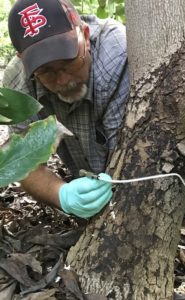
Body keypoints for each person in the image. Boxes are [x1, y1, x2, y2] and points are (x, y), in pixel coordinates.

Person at [3, 0, 129, 218]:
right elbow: (21, 163)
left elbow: (131, 158)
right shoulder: (19, 83)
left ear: (85, 37)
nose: (62, 80)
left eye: (68, 62)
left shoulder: (119, 56)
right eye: (46, 71)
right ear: (22, 61)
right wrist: (61, 194)